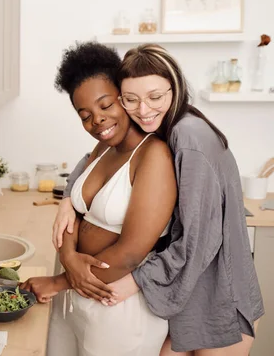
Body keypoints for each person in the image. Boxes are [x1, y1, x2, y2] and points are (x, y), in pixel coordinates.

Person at [52, 43, 264, 355]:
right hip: (180, 290)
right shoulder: (153, 124)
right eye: (132, 99)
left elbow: (200, 241)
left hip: (217, 292)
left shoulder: (187, 136)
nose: (143, 108)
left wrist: (134, 280)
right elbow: (92, 158)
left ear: (174, 87)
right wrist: (68, 197)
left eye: (155, 96)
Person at [20, 42, 177, 355]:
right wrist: (68, 257)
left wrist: (60, 281)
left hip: (118, 306)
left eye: (106, 105)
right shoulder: (103, 148)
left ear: (124, 96)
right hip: (74, 299)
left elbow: (132, 252)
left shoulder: (154, 156)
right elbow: (74, 214)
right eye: (85, 115)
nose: (97, 121)